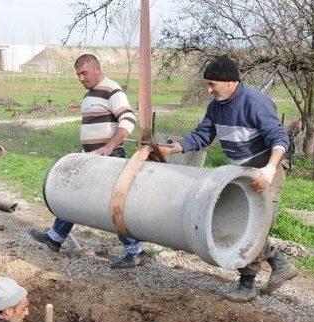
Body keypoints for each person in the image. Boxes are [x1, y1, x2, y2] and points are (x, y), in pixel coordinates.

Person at [158, 56, 298, 302]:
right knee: (245, 226)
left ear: (232, 82)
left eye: (212, 84)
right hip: (241, 173)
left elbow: (279, 138)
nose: (209, 90)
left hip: (266, 171)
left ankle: (247, 286)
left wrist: (269, 169)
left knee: (251, 228)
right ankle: (279, 264)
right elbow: (202, 136)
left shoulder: (256, 103)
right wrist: (172, 148)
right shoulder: (216, 107)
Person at [29, 54, 144, 269]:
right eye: (78, 75)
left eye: (84, 73)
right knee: (73, 195)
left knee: (114, 205)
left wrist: (109, 147)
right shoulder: (90, 94)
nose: (81, 78)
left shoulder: (112, 90)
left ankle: (135, 251)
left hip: (109, 159)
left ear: (97, 69)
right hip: (92, 157)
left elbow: (128, 120)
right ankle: (55, 238)